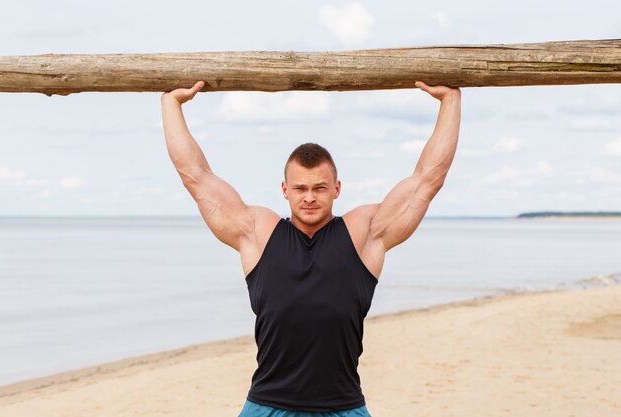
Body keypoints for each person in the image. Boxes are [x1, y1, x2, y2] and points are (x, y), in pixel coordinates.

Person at [161, 80, 461, 417]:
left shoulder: (364, 234)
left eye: (319, 187)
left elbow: (427, 179)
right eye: (300, 188)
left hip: (342, 406)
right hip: (267, 405)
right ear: (284, 190)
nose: (309, 197)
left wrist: (450, 100)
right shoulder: (257, 233)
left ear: (336, 189)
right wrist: (171, 105)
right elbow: (195, 176)